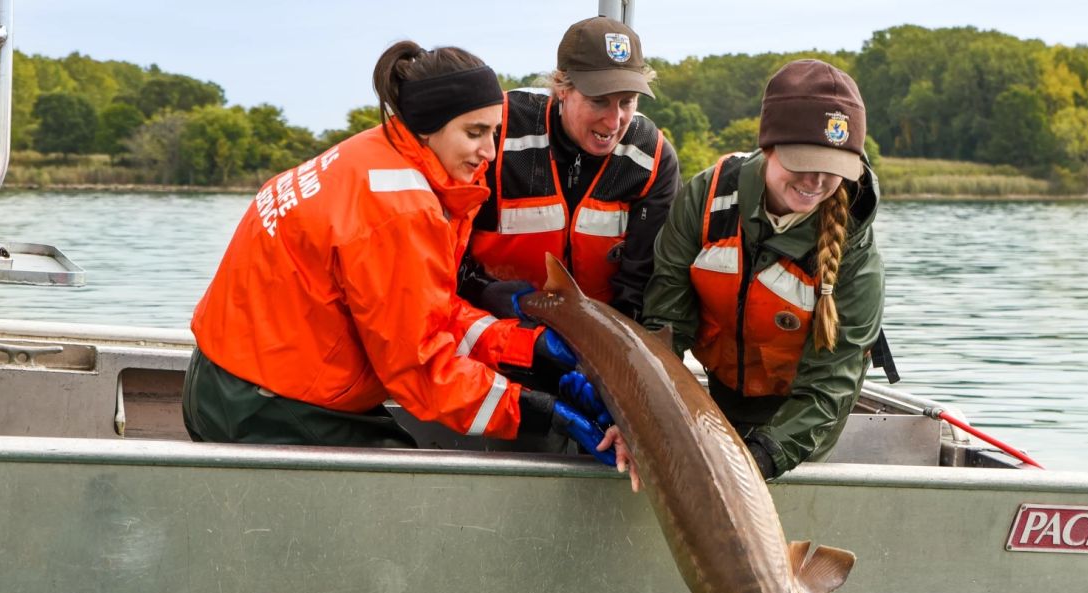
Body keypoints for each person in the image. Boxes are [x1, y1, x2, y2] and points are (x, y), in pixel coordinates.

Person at [182, 41, 633, 481]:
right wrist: (541, 412)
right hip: (265, 403)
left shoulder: (375, 155)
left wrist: (526, 348)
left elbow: (424, 314)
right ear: (428, 127)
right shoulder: (400, 210)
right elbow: (422, 371)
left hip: (229, 377)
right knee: (409, 497)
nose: (490, 152)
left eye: (494, 132)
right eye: (474, 133)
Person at [642, 59, 888, 480]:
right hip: (718, 396)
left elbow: (829, 386)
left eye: (834, 168)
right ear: (768, 146)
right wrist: (645, 417)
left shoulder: (855, 248)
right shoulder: (707, 197)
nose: (816, 181)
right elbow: (665, 324)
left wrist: (761, 457)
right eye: (803, 161)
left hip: (803, 424)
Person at [459, 15, 680, 322]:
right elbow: (441, 249)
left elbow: (641, 283)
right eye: (598, 101)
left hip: (596, 338)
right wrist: (481, 289)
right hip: (489, 327)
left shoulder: (653, 159)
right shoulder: (496, 134)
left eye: (627, 102)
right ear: (562, 87)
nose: (614, 122)